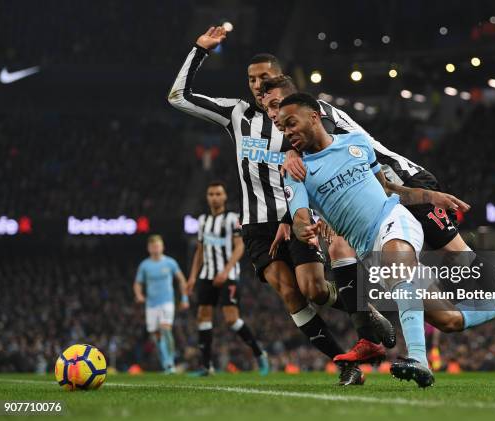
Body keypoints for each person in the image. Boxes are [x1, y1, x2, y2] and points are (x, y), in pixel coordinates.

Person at [261, 76, 495, 362]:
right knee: (440, 314)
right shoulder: (295, 141)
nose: (273, 115)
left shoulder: (320, 118)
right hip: (370, 199)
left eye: (276, 105)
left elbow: (309, 135)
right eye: (268, 109)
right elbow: (300, 181)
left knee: (461, 257)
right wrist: (297, 216)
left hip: (405, 182)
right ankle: (369, 336)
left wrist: (430, 196)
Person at [168, 26, 392, 385]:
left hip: (299, 218)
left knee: (315, 290)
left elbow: (338, 155)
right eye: (252, 79)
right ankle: (346, 365)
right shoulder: (236, 115)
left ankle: (366, 312)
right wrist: (199, 50)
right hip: (257, 225)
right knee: (291, 295)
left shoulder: (302, 117)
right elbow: (178, 96)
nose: (257, 85)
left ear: (281, 78)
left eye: (265, 78)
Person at [187, 181, 269, 376]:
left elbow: (239, 246)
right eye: (211, 194)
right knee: (203, 317)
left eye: (218, 194)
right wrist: (192, 277)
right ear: (207, 197)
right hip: (206, 274)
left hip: (228, 275)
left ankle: (260, 353)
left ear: (224, 197)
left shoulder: (233, 219)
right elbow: (200, 251)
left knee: (231, 319)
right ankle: (207, 367)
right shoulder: (202, 220)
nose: (214, 197)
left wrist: (225, 271)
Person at [133, 235, 189, 373]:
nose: (155, 248)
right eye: (153, 246)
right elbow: (137, 283)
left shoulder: (170, 263)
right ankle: (165, 362)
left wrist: (185, 298)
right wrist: (139, 295)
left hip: (167, 302)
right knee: (156, 336)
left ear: (162, 247)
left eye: (158, 246)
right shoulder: (145, 265)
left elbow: (181, 280)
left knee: (166, 329)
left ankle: (170, 363)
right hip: (151, 304)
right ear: (148, 248)